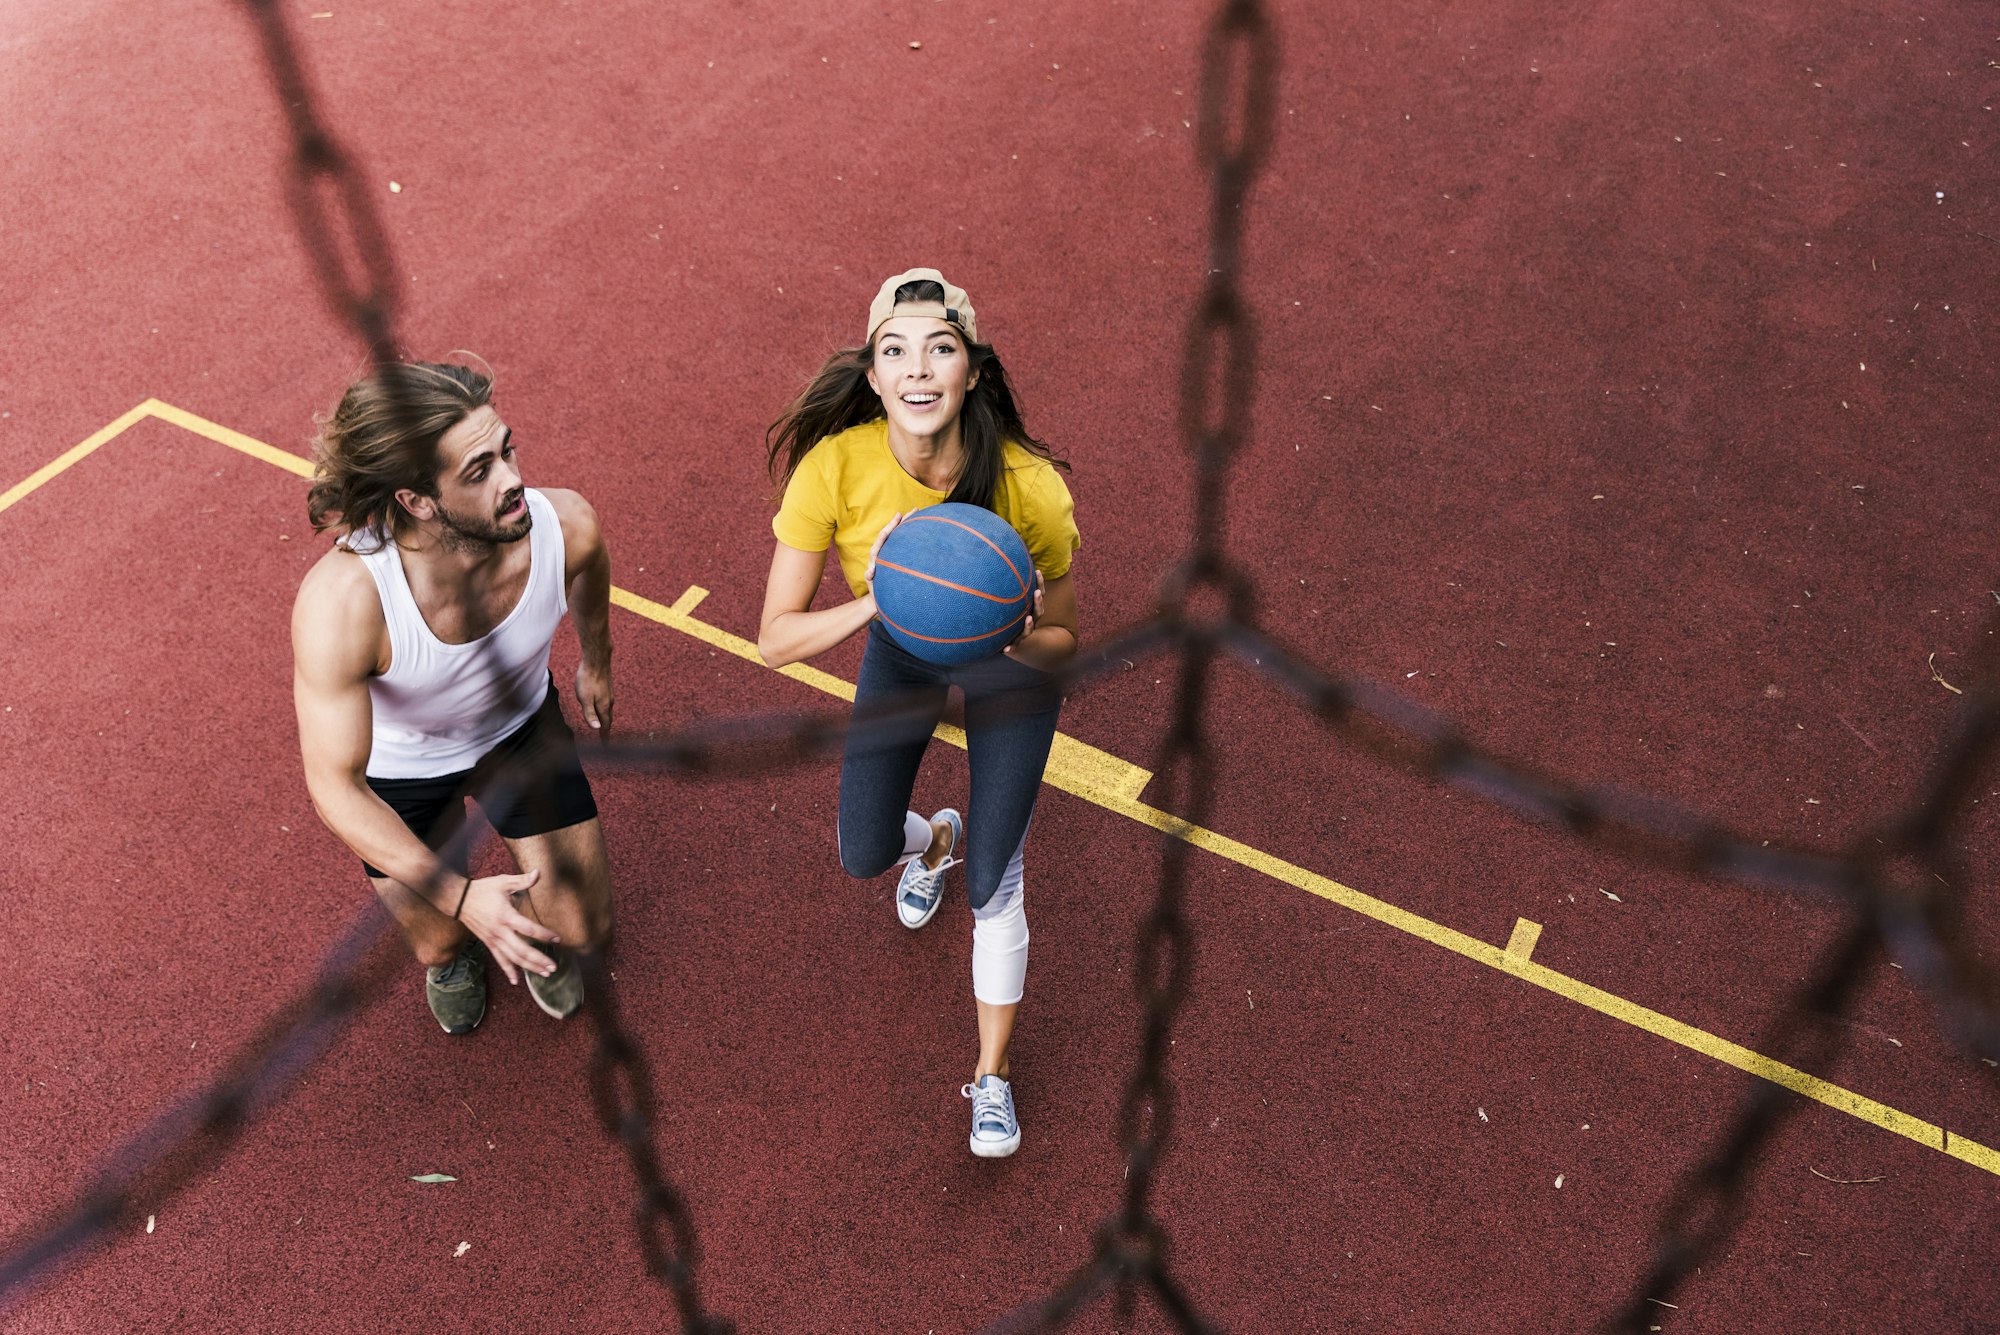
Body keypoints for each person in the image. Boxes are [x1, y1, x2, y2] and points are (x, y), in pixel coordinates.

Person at [758, 269, 1079, 1157]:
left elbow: (1069, 641)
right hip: (899, 638)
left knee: (994, 883)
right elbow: (775, 638)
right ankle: (933, 840)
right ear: (872, 374)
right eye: (895, 350)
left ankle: (992, 1080)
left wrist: (1022, 637)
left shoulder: (1028, 484)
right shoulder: (837, 467)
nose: (919, 368)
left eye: (940, 347)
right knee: (864, 849)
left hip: (1005, 663)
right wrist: (881, 597)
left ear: (972, 368)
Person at [291, 360, 616, 1035]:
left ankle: (525, 930)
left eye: (507, 450)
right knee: (438, 940)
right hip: (402, 773)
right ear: (416, 499)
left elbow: (591, 571)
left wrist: (597, 660)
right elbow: (335, 787)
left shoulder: (565, 525)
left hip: (520, 729)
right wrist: (461, 898)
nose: (513, 479)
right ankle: (455, 956)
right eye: (478, 472)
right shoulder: (346, 603)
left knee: (585, 927)